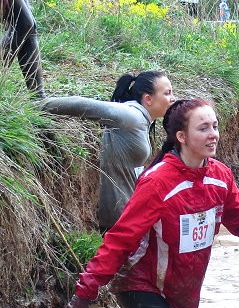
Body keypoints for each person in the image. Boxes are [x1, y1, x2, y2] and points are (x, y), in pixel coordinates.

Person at [55, 98, 239, 308]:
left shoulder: (220, 175)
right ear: (181, 136)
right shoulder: (158, 181)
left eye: (215, 126)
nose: (213, 134)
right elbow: (121, 238)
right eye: (203, 128)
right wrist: (85, 291)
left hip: (171, 284)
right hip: (139, 284)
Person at [41, 71, 176, 231]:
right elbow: (85, 105)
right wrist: (41, 105)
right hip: (119, 223)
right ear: (148, 99)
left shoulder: (142, 120)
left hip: (129, 218)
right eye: (167, 93)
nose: (173, 98)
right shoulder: (131, 116)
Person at [1, 0, 44, 97]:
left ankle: (38, 96)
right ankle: (38, 95)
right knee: (25, 23)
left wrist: (15, 1)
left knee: (29, 26)